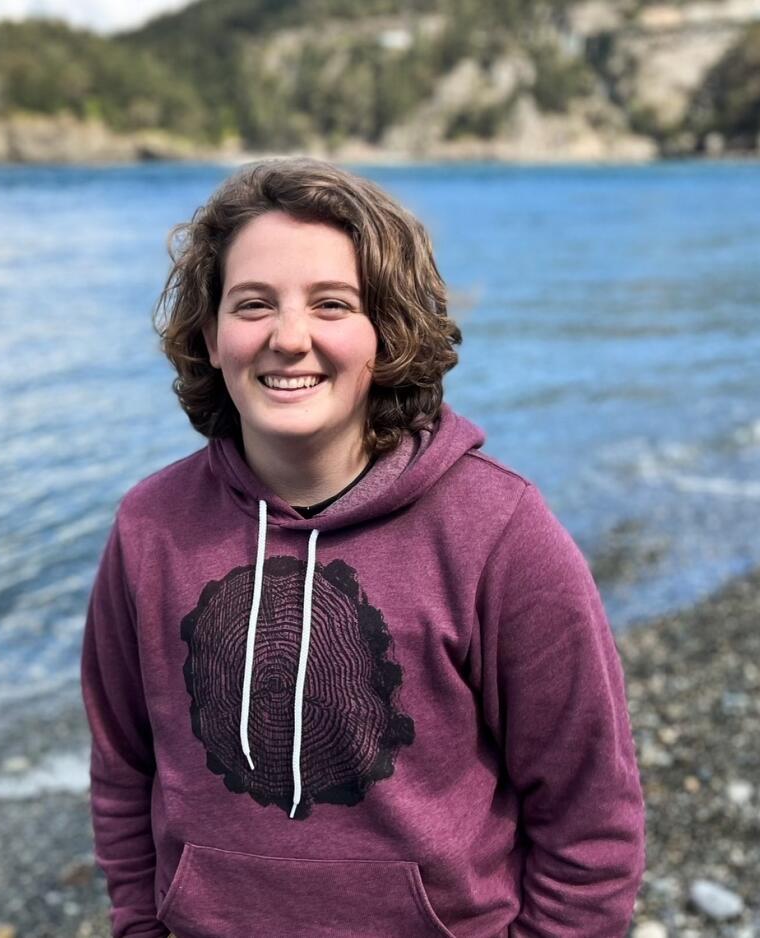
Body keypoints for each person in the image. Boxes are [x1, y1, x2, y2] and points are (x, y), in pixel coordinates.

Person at [80, 157, 645, 938]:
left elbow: (591, 816)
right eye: (253, 305)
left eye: (332, 304)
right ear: (210, 335)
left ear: (386, 333)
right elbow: (122, 772)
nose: (288, 338)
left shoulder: (497, 530)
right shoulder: (150, 530)